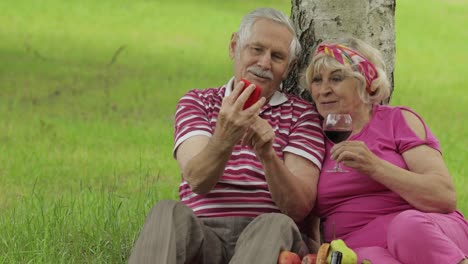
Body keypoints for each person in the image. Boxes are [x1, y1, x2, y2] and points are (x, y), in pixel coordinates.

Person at [128, 8, 326, 264]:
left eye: (277, 56)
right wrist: (224, 136)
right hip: (202, 234)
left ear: (289, 68)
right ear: (234, 47)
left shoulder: (302, 114)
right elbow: (197, 179)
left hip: (266, 240)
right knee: (166, 212)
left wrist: (267, 154)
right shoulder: (198, 102)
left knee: (277, 223)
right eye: (256, 49)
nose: (264, 63)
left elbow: (299, 208)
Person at [302, 37, 468, 263]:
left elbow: (444, 197)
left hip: (425, 233)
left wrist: (375, 166)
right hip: (360, 247)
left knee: (405, 227)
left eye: (336, 78)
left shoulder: (397, 121)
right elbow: (306, 214)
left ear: (366, 81)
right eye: (317, 80)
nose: (324, 90)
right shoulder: (311, 136)